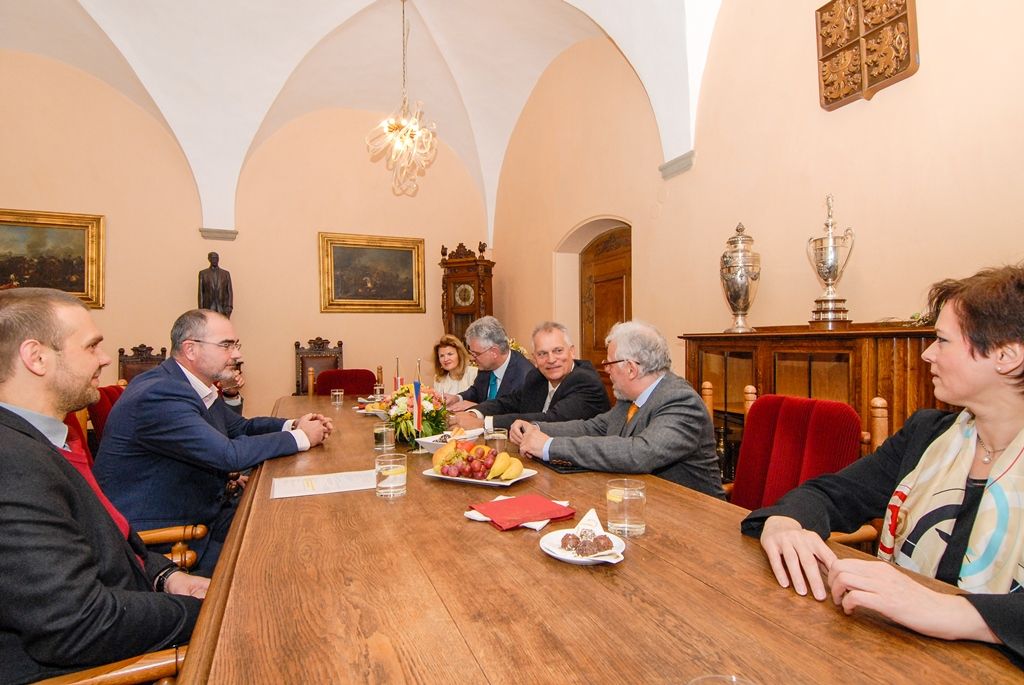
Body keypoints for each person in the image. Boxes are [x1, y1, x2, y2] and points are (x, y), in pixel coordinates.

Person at [741, 264, 1024, 664]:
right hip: (898, 655)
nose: (927, 353)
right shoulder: (928, 434)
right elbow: (834, 493)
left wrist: (953, 612)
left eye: (942, 341)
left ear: (1006, 356)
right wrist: (784, 522)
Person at [0, 288, 208, 685]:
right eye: (91, 346)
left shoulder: (47, 439)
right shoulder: (13, 463)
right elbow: (79, 625)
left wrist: (167, 576)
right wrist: (212, 610)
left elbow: (109, 542)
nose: (105, 358)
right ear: (36, 357)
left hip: (134, 609)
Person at [94, 309, 332, 576]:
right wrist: (302, 437)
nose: (237, 355)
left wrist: (292, 425)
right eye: (226, 345)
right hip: (169, 538)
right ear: (191, 349)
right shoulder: (161, 392)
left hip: (204, 508)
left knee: (291, 522)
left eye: (236, 345)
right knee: (284, 551)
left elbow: (239, 428)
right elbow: (228, 455)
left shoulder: (191, 385)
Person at [512, 321, 724, 498]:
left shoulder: (681, 401)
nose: (607, 370)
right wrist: (536, 428)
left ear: (631, 368)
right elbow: (594, 427)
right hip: (642, 500)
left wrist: (550, 446)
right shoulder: (629, 398)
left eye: (609, 363)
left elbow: (639, 453)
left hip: (694, 517)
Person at [451, 321, 609, 431]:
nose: (551, 359)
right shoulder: (537, 377)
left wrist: (483, 423)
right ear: (535, 358)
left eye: (558, 351)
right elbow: (509, 402)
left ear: (572, 351)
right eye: (542, 354)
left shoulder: (585, 381)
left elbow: (552, 420)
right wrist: (474, 413)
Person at [447, 316, 532, 409]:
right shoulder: (486, 366)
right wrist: (458, 398)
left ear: (494, 352)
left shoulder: (525, 377)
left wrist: (480, 408)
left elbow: (517, 413)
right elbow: (477, 391)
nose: (472, 358)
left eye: (476, 354)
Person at [198, 251, 233, 317]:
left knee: (222, 323)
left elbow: (229, 292)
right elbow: (201, 293)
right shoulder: (203, 273)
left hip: (222, 307)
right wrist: (201, 310)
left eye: (216, 258)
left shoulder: (225, 274)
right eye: (213, 258)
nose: (215, 260)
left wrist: (229, 307)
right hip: (208, 307)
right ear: (209, 259)